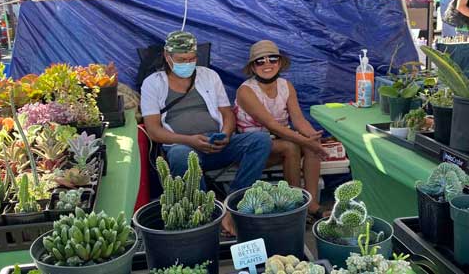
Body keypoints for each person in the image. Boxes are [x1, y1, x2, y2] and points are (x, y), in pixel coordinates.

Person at [140, 31, 272, 233]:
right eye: (182, 59)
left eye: (192, 58)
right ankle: (208, 214)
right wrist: (190, 140)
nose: (188, 63)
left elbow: (227, 114)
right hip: (182, 146)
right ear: (168, 57)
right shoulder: (153, 83)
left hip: (217, 142)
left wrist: (227, 134)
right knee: (181, 155)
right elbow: (154, 130)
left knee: (261, 140)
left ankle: (234, 203)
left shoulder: (209, 76)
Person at [233, 40, 329, 221]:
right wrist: (304, 140)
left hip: (280, 139)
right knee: (291, 146)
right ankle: (294, 204)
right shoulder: (246, 91)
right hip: (253, 149)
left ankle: (310, 202)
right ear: (252, 67)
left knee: (311, 143)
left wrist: (312, 137)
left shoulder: (286, 86)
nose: (267, 64)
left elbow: (298, 119)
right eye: (260, 61)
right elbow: (271, 124)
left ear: (280, 63)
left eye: (273, 59)